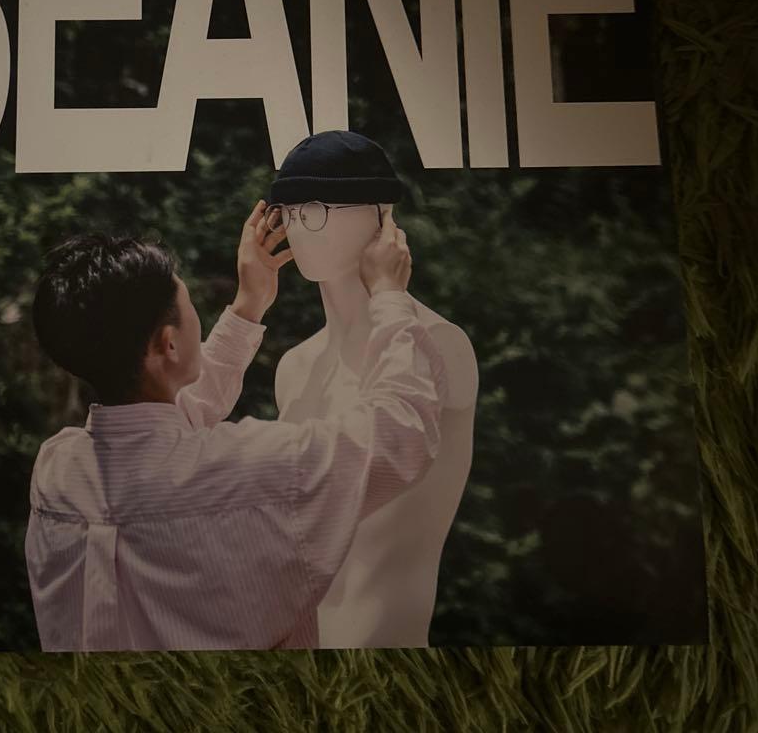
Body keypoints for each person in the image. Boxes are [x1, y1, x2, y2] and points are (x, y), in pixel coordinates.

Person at [24, 200, 446, 651]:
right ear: (169, 344)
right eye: (188, 305)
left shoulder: (57, 472)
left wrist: (249, 304)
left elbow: (165, 424)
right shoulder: (255, 469)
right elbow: (403, 430)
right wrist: (389, 296)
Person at [269, 129, 479, 648]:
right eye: (288, 211)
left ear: (382, 214)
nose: (299, 226)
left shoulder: (438, 344)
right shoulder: (295, 368)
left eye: (316, 209)